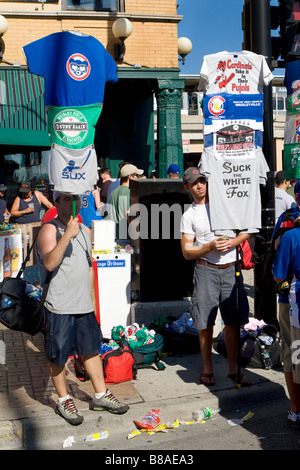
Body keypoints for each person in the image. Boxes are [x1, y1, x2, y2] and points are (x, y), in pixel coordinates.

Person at [37, 191, 129, 425]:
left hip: (83, 305)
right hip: (59, 305)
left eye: (75, 199)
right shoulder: (49, 229)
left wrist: (93, 303)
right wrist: (67, 234)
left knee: (91, 350)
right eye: (66, 199)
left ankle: (100, 394)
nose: (72, 203)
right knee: (58, 355)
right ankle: (63, 399)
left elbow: (89, 268)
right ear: (56, 202)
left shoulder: (86, 231)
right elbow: (49, 263)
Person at [180, 167, 251, 386]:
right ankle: (207, 367)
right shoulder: (189, 215)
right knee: (205, 322)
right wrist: (209, 247)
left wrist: (233, 242)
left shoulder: (225, 204)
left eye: (202, 180)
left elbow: (248, 229)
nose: (200, 185)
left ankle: (232, 367)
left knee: (232, 321)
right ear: (187, 187)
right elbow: (186, 251)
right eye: (194, 183)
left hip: (231, 268)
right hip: (205, 269)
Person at [272, 180, 300, 428]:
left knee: (293, 355)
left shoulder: (289, 231)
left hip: (291, 303)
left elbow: (278, 273)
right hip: (292, 302)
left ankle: (295, 409)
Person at [109, 163, 143, 242]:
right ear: (130, 177)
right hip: (126, 236)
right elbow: (127, 213)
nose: (138, 177)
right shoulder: (128, 192)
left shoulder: (114, 192)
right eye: (136, 175)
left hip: (115, 235)